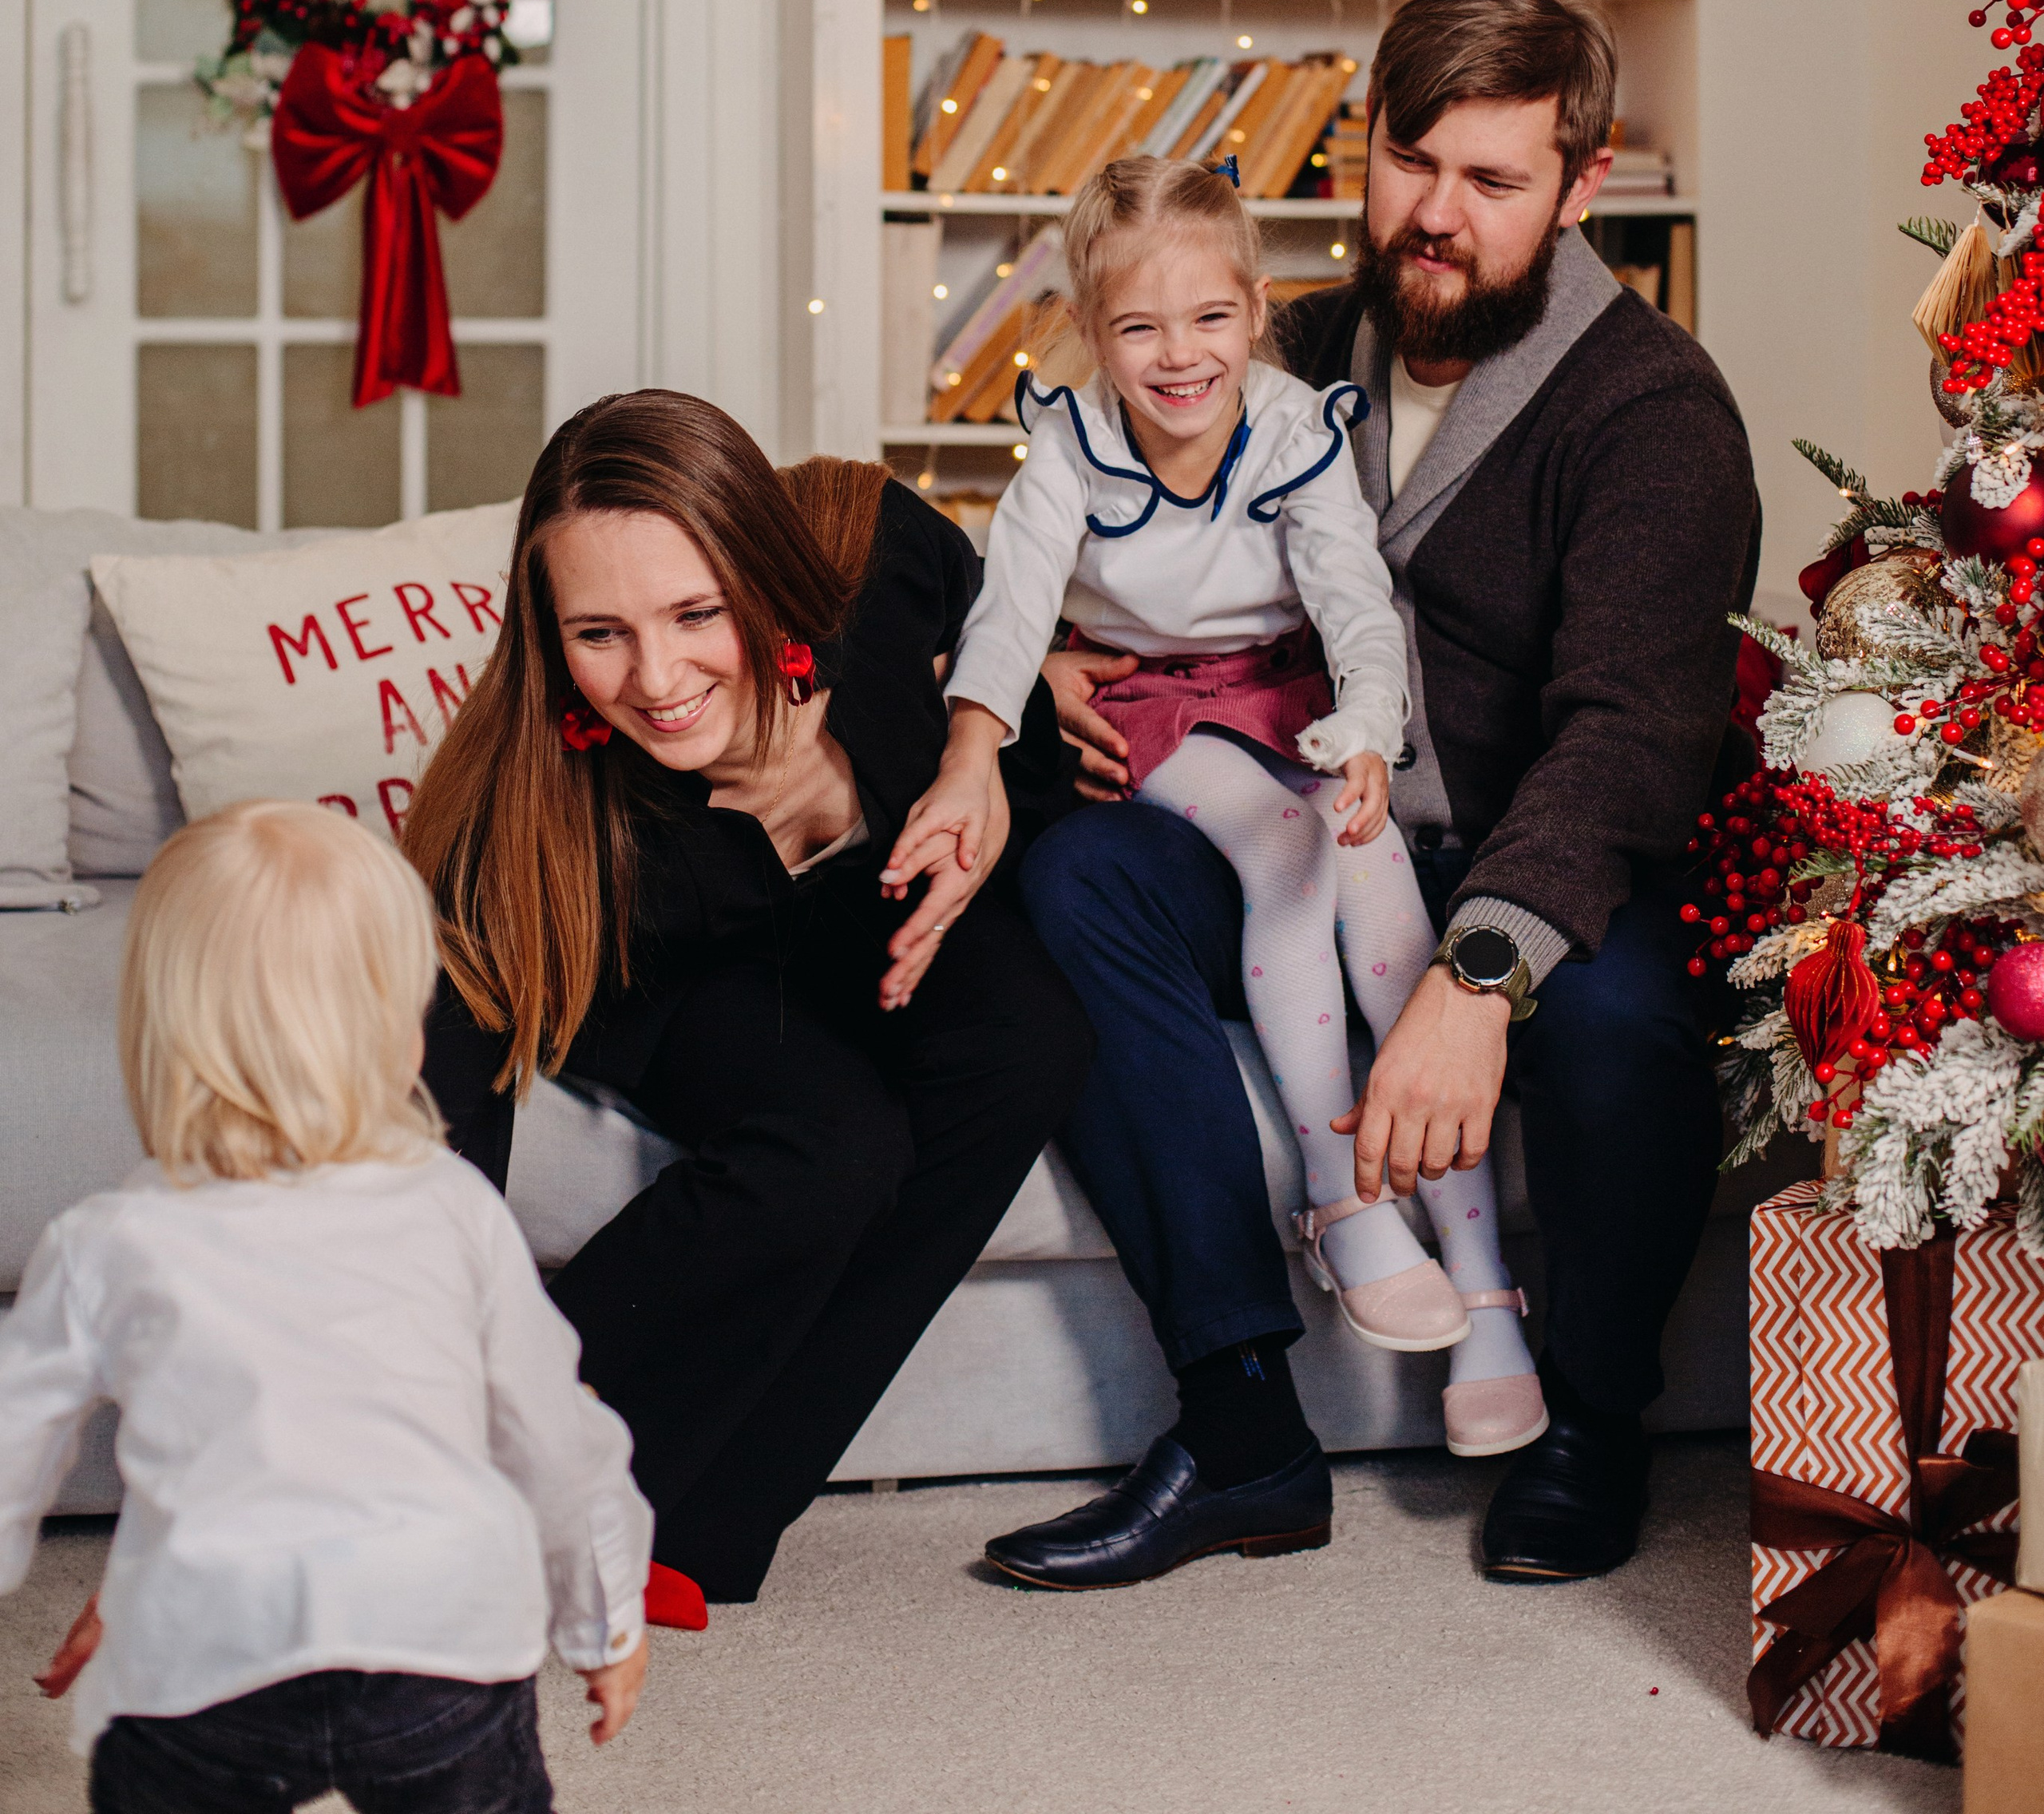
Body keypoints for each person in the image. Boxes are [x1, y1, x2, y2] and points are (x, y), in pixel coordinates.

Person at [993, 0, 1761, 1590]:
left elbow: (1630, 729)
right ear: (1365, 147)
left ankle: (1587, 1422)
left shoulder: (1649, 408)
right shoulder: (1266, 341)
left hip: (1525, 855)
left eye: (1491, 183)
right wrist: (1058, 661)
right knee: (1068, 883)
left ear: (1578, 183)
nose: (1438, 217)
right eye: (1414, 164)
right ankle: (1239, 1422)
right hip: (1292, 818)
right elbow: (1082, 519)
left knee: (1624, 1024)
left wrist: (1481, 965)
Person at [909, 151, 1543, 1519]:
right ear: (1091, 329)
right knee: (1291, 854)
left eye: (1208, 320)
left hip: (1296, 694)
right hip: (1157, 715)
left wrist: (1370, 727)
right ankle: (1340, 1199)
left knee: (1389, 917)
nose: (1177, 356)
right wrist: (974, 752)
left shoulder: (1296, 426)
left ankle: (1486, 1291)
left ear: (1257, 311)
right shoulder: (1069, 445)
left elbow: (1353, 598)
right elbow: (1010, 615)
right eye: (1138, 327)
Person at [406, 393, 1093, 1613]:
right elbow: (438, 1115)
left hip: (879, 911)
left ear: (761, 575)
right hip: (689, 969)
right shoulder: (528, 819)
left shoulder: (872, 546)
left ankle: (707, 1515)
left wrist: (986, 748)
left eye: (694, 614)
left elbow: (1010, 646)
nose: (658, 679)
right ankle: (502, 1448)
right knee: (833, 1151)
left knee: (1033, 1035)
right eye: (600, 633)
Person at [0, 801, 651, 1814]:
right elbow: (557, 1439)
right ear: (401, 1032)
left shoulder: (109, 1241)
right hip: (442, 1642)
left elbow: (8, 1446)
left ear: (161, 1031)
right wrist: (605, 1622)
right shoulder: (454, 1210)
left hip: (211, 1660)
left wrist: (153, 1596)